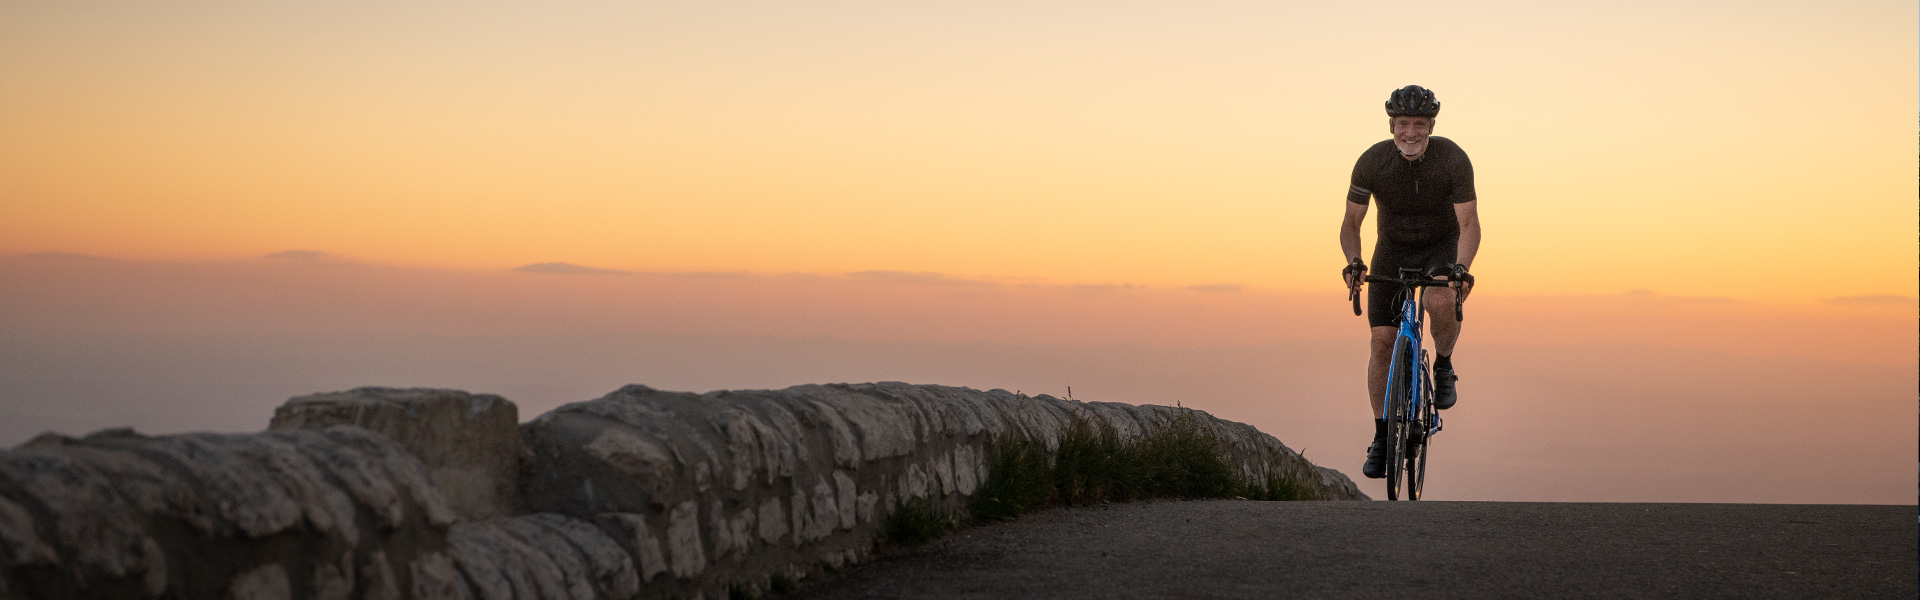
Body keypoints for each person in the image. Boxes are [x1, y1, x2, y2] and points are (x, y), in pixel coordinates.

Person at [1338, 85, 1480, 480]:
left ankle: (1445, 365)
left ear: (1431, 125)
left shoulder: (1452, 159)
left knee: (1438, 301)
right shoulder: (1372, 162)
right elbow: (1351, 223)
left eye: (1420, 124)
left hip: (1440, 248)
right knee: (1380, 344)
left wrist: (1461, 268)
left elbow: (1469, 224)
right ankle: (1382, 436)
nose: (1411, 133)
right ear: (1392, 125)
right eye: (1404, 124)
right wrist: (1354, 262)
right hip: (1392, 252)